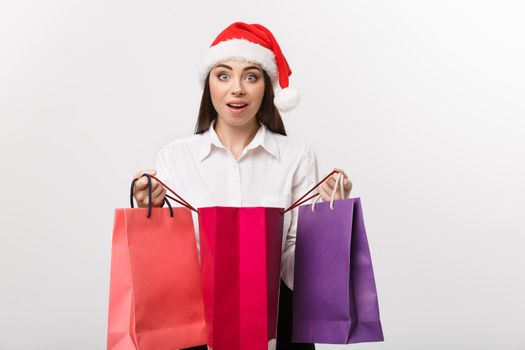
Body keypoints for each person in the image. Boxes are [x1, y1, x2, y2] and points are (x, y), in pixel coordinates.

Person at [132, 22, 352, 350]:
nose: (237, 89)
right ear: (209, 85)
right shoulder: (176, 157)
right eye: (223, 76)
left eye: (251, 76)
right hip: (196, 331)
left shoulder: (297, 157)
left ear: (267, 87)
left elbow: (295, 270)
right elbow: (169, 263)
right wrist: (147, 209)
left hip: (277, 329)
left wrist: (331, 218)